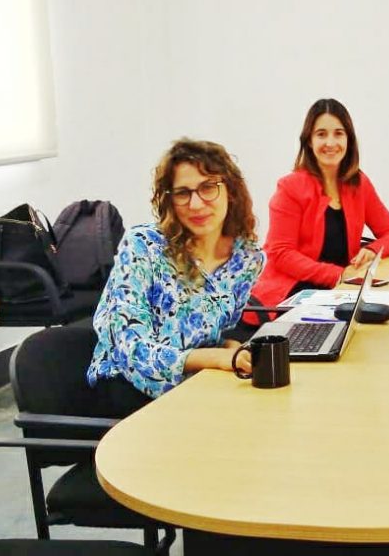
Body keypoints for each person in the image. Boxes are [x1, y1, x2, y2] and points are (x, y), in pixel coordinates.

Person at [86, 138, 265, 418]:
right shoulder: (143, 246)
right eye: (182, 193)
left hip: (199, 383)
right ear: (169, 199)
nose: (196, 204)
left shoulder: (246, 258)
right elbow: (128, 347)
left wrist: (229, 347)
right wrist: (213, 357)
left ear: (230, 190)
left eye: (208, 187)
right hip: (129, 390)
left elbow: (217, 334)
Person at [247, 99, 389, 321]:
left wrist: (373, 249)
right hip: (294, 293)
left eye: (338, 134)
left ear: (348, 139)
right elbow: (281, 252)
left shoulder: (358, 183)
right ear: (309, 141)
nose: (330, 142)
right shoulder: (290, 187)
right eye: (321, 134)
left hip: (339, 292)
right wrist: (339, 274)